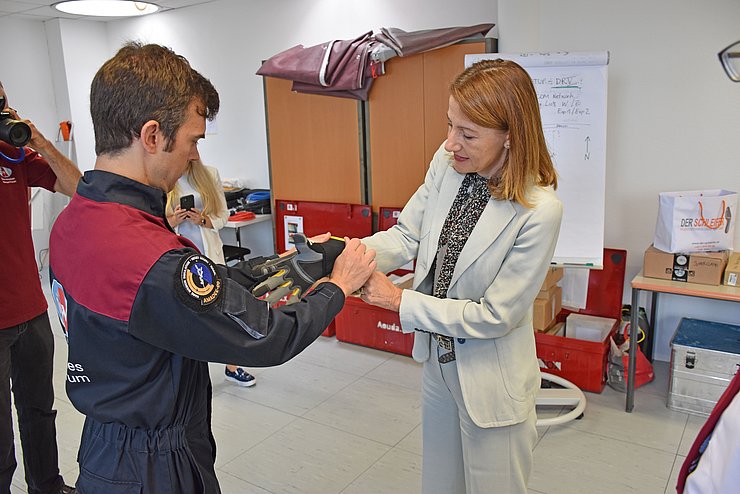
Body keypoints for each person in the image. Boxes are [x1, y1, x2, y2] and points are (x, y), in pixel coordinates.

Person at [47, 42, 376, 494]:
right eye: (193, 140)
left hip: (104, 448)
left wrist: (283, 264)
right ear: (152, 136)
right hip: (155, 466)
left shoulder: (76, 220)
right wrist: (338, 286)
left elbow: (186, 298)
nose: (196, 156)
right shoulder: (150, 257)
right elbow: (268, 337)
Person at [359, 59, 563, 493]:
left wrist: (399, 300)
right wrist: (346, 253)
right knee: (440, 484)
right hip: (439, 362)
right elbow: (407, 234)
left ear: (511, 135)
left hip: (490, 379)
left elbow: (495, 316)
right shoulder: (448, 162)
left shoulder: (539, 211)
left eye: (468, 134)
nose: (451, 143)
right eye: (450, 126)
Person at [0, 82, 80, 494]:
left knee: (38, 412)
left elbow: (80, 188)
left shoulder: (13, 156)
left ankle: (47, 487)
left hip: (31, 310)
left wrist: (40, 142)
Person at [166, 158, 257, 387]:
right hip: (178, 254)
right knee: (184, 314)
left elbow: (223, 215)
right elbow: (155, 222)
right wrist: (173, 220)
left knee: (222, 310)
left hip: (208, 253)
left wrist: (202, 220)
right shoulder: (163, 173)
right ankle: (189, 372)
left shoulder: (209, 174)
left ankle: (232, 366)